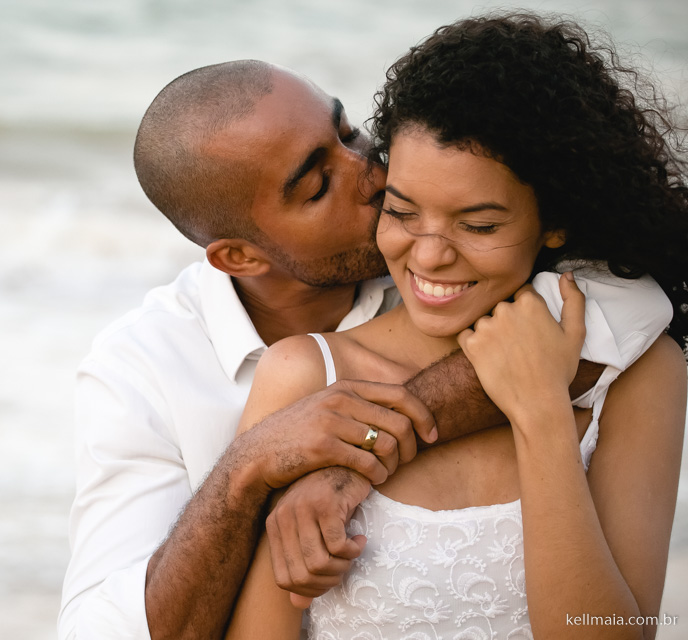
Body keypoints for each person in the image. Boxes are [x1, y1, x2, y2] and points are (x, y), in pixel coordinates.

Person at [58, 60, 673, 640]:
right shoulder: (141, 369)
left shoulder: (428, 245)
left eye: (351, 134)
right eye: (322, 183)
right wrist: (248, 472)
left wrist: (353, 456)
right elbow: (103, 628)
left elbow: (634, 303)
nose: (375, 176)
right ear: (240, 257)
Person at [225, 13, 688, 639]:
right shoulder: (308, 377)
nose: (431, 255)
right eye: (403, 211)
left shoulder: (641, 376)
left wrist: (542, 415)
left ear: (554, 222)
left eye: (479, 225)